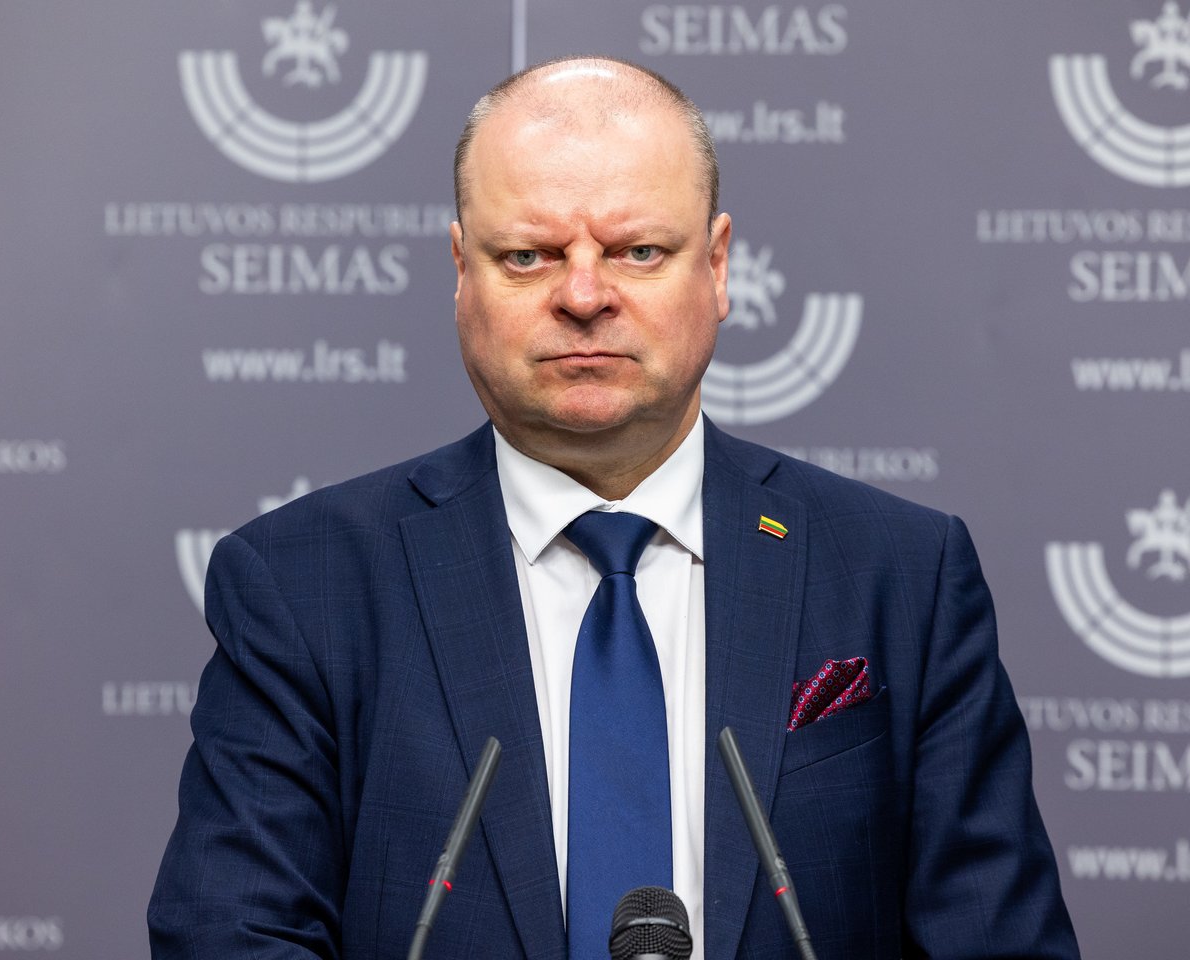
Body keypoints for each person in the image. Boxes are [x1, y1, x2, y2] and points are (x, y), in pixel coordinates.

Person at [148, 56, 1079, 959]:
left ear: (717, 266)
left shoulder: (901, 576)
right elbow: (231, 935)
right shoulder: (305, 586)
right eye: (529, 256)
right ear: (462, 271)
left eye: (639, 251)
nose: (585, 295)